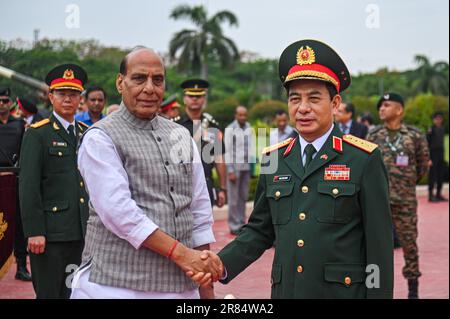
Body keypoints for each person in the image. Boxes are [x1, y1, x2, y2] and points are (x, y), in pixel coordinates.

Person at [192, 39, 394, 299]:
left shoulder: (363, 159)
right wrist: (221, 264)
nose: (303, 108)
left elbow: (379, 246)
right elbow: (259, 230)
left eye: (314, 98)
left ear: (335, 104)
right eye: (295, 98)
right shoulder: (274, 159)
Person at [70, 47, 222, 299]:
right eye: (139, 78)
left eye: (158, 80)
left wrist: (206, 286)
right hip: (115, 286)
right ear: (121, 82)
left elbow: (199, 209)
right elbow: (120, 213)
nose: (150, 88)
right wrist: (184, 256)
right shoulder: (100, 138)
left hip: (182, 288)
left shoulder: (182, 135)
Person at [19, 64, 90, 298]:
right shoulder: (38, 133)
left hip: (81, 232)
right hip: (49, 235)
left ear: (80, 98)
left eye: (73, 94)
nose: (68, 99)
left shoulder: (86, 132)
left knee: (76, 293)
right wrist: (34, 231)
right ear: (51, 96)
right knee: (50, 293)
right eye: (62, 93)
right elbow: (28, 186)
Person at [367, 92, 429, 299]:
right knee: (373, 246)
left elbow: (422, 167)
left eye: (386, 105)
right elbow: (366, 167)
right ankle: (373, 286)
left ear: (399, 110)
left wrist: (405, 185)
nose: (381, 109)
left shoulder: (414, 135)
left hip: (405, 202)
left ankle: (413, 289)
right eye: (380, 106)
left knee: (409, 244)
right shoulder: (373, 136)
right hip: (378, 201)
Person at [176, 79, 227, 208]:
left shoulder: (212, 126)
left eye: (198, 96)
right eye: (191, 96)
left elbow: (219, 159)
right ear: (184, 99)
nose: (195, 99)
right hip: (181, 185)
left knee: (205, 225)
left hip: (206, 183)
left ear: (204, 99)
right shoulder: (174, 125)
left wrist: (222, 189)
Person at [0, 87, 31, 282]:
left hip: (15, 179)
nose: (2, 104)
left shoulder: (20, 124)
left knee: (19, 224)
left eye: (5, 100)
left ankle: (21, 265)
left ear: (10, 102)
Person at [224, 106, 253, 235]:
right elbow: (228, 151)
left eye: (244, 115)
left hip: (246, 167)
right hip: (235, 167)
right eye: (240, 115)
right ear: (235, 115)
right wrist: (230, 170)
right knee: (233, 198)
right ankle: (233, 225)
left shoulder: (249, 127)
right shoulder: (230, 129)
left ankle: (241, 223)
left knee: (243, 196)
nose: (243, 117)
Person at [427, 111, 447, 202]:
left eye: (440, 119)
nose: (438, 120)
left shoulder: (442, 129)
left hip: (440, 153)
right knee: (432, 175)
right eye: (437, 119)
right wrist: (428, 158)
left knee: (440, 174)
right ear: (434, 120)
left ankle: (438, 194)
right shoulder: (431, 129)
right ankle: (431, 195)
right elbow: (427, 144)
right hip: (433, 153)